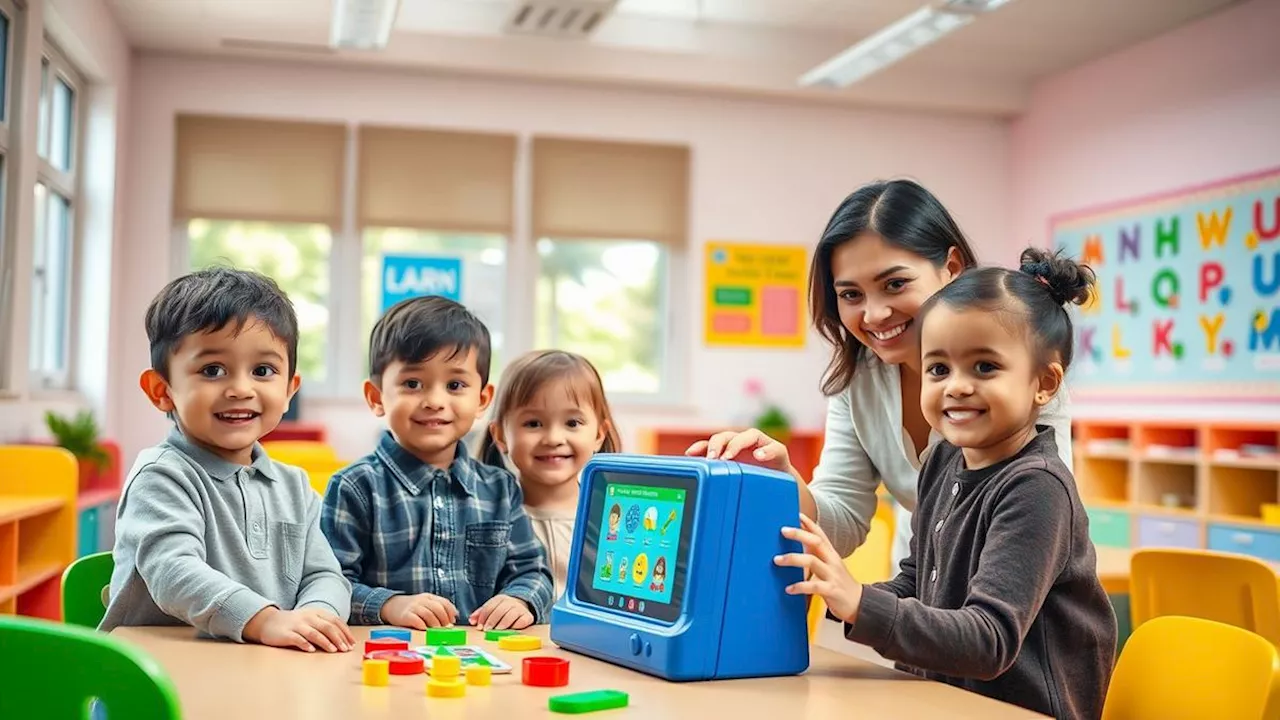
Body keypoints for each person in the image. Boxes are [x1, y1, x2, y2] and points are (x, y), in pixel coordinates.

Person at [774, 249, 1116, 719]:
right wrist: (842, 596)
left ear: (1045, 382)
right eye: (938, 369)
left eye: (984, 367)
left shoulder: (1037, 488)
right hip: (945, 701)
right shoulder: (942, 461)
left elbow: (989, 639)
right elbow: (917, 583)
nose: (955, 386)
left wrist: (861, 605)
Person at [686, 180, 1072, 563]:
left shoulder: (1018, 373)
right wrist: (783, 478)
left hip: (1010, 590)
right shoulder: (857, 379)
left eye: (895, 284)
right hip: (923, 583)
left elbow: (1038, 512)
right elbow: (842, 520)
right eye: (851, 294)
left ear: (951, 268)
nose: (873, 314)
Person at [101, 268, 355, 654]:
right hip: (161, 674)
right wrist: (266, 620)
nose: (240, 388)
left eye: (263, 371)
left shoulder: (294, 486)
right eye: (212, 370)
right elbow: (173, 571)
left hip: (259, 671)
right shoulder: (162, 476)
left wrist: (315, 617)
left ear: (289, 390)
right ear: (162, 391)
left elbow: (324, 574)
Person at [320, 296, 554, 631]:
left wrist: (520, 599)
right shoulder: (355, 488)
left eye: (455, 385)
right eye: (412, 384)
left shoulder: (500, 488)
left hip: (482, 665)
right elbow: (326, 583)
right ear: (376, 397)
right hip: (385, 663)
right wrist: (388, 605)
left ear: (482, 400)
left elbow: (532, 570)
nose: (434, 401)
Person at [478, 350, 621, 600]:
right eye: (533, 423)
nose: (554, 438)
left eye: (573, 423)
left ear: (599, 434)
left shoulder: (611, 518)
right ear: (500, 435)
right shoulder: (485, 516)